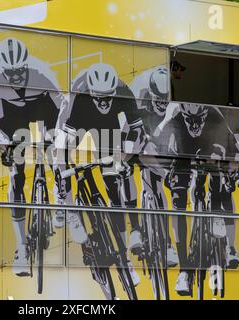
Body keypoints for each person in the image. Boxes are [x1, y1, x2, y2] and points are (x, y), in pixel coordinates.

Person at [0, 37, 86, 277]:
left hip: (44, 108)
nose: (17, 76)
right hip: (13, 116)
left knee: (57, 156)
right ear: (3, 70)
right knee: (16, 174)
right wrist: (6, 147)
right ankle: (21, 246)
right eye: (11, 72)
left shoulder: (42, 75)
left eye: (20, 70)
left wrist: (58, 139)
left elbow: (63, 111)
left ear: (26, 65)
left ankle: (69, 209)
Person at [54, 62, 147, 286]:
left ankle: (125, 258)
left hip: (106, 128)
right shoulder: (79, 95)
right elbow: (63, 145)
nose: (104, 103)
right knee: (60, 155)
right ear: (92, 93)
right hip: (77, 120)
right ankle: (65, 203)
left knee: (115, 185)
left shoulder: (124, 91)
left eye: (108, 99)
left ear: (115, 91)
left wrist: (125, 158)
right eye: (99, 99)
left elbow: (136, 130)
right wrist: (64, 171)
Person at [155, 103, 239, 295]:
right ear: (182, 114)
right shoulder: (174, 114)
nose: (194, 125)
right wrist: (165, 174)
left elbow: (236, 146)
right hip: (182, 153)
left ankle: (230, 247)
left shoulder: (215, 114)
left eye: (199, 120)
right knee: (178, 203)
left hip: (209, 148)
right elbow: (155, 143)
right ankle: (184, 271)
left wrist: (234, 172)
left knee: (222, 181)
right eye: (190, 120)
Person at [128, 65, 179, 267]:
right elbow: (140, 140)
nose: (161, 104)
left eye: (164, 100)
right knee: (151, 180)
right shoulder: (140, 105)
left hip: (164, 150)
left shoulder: (176, 107)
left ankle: (166, 245)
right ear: (151, 94)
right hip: (142, 146)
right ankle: (150, 237)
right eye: (158, 100)